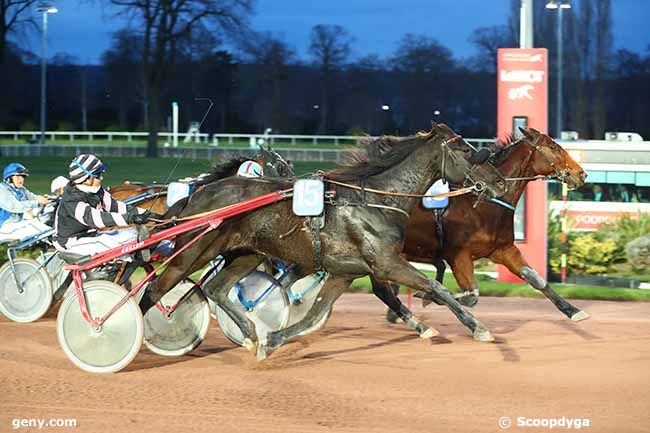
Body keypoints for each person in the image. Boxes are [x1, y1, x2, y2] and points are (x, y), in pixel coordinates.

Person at [53, 154, 152, 257]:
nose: (101, 177)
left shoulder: (96, 190)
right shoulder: (71, 199)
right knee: (114, 246)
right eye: (98, 174)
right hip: (70, 242)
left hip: (90, 236)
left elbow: (115, 206)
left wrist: (145, 213)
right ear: (87, 178)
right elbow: (95, 219)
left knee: (134, 233)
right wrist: (130, 218)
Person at [0, 162, 52, 243]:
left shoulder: (21, 190)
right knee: (38, 227)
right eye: (18, 177)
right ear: (9, 178)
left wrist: (47, 199)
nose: (21, 179)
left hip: (15, 226)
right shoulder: (2, 189)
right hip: (4, 228)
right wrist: (37, 202)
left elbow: (33, 197)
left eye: (23, 177)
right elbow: (15, 206)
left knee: (44, 224)